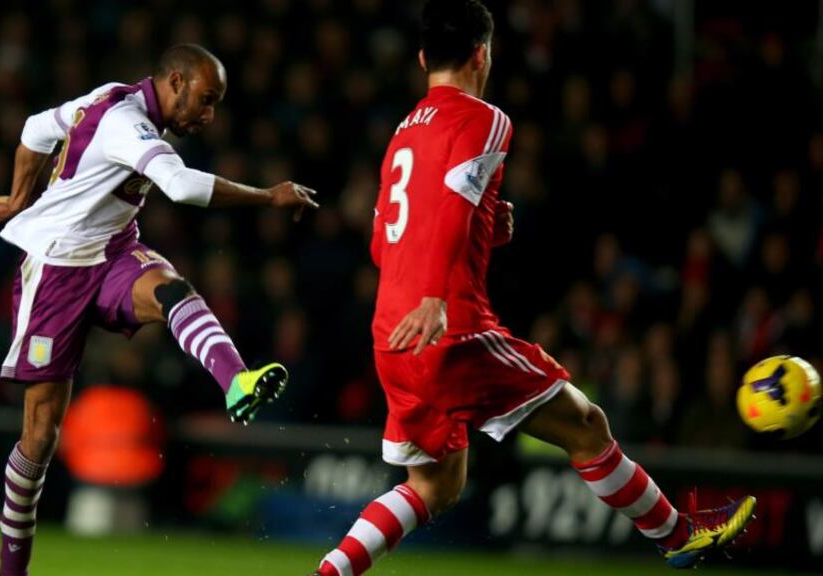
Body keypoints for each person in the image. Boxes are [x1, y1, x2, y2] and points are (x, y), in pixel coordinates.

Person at [312, 2, 754, 574]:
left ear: (423, 59)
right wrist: (436, 297)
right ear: (482, 53)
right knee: (587, 427)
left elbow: (384, 243)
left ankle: (331, 571)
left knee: (434, 484)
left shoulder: (401, 134)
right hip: (452, 331)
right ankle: (677, 536)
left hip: (391, 338)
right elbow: (451, 207)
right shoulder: (484, 118)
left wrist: (481, 231)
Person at [0, 44, 318, 576]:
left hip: (112, 251)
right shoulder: (127, 123)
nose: (209, 115)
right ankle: (11, 570)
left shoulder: (110, 98)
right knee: (39, 437)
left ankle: (237, 382)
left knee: (173, 289)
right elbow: (181, 186)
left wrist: (17, 196)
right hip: (57, 266)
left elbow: (36, 128)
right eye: (205, 100)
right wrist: (268, 197)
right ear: (175, 81)